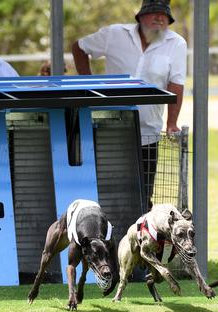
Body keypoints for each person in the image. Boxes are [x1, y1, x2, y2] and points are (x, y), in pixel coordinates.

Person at [71, 0, 186, 210]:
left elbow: (176, 84)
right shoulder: (114, 34)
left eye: (165, 15)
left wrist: (171, 123)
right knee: (107, 190)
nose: (160, 19)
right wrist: (89, 84)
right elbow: (79, 47)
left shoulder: (177, 43)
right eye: (154, 14)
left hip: (148, 132)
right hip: (107, 129)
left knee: (142, 194)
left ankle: (138, 239)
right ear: (141, 17)